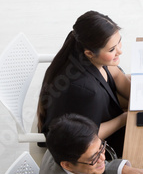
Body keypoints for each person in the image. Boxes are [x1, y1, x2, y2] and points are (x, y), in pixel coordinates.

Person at [38, 11, 130, 157]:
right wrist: (125, 119)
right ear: (89, 53)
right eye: (112, 49)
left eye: (119, 41)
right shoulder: (86, 91)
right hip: (83, 142)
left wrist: (137, 96)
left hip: (91, 113)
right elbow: (90, 136)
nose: (120, 51)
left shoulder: (80, 41)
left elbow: (117, 74)